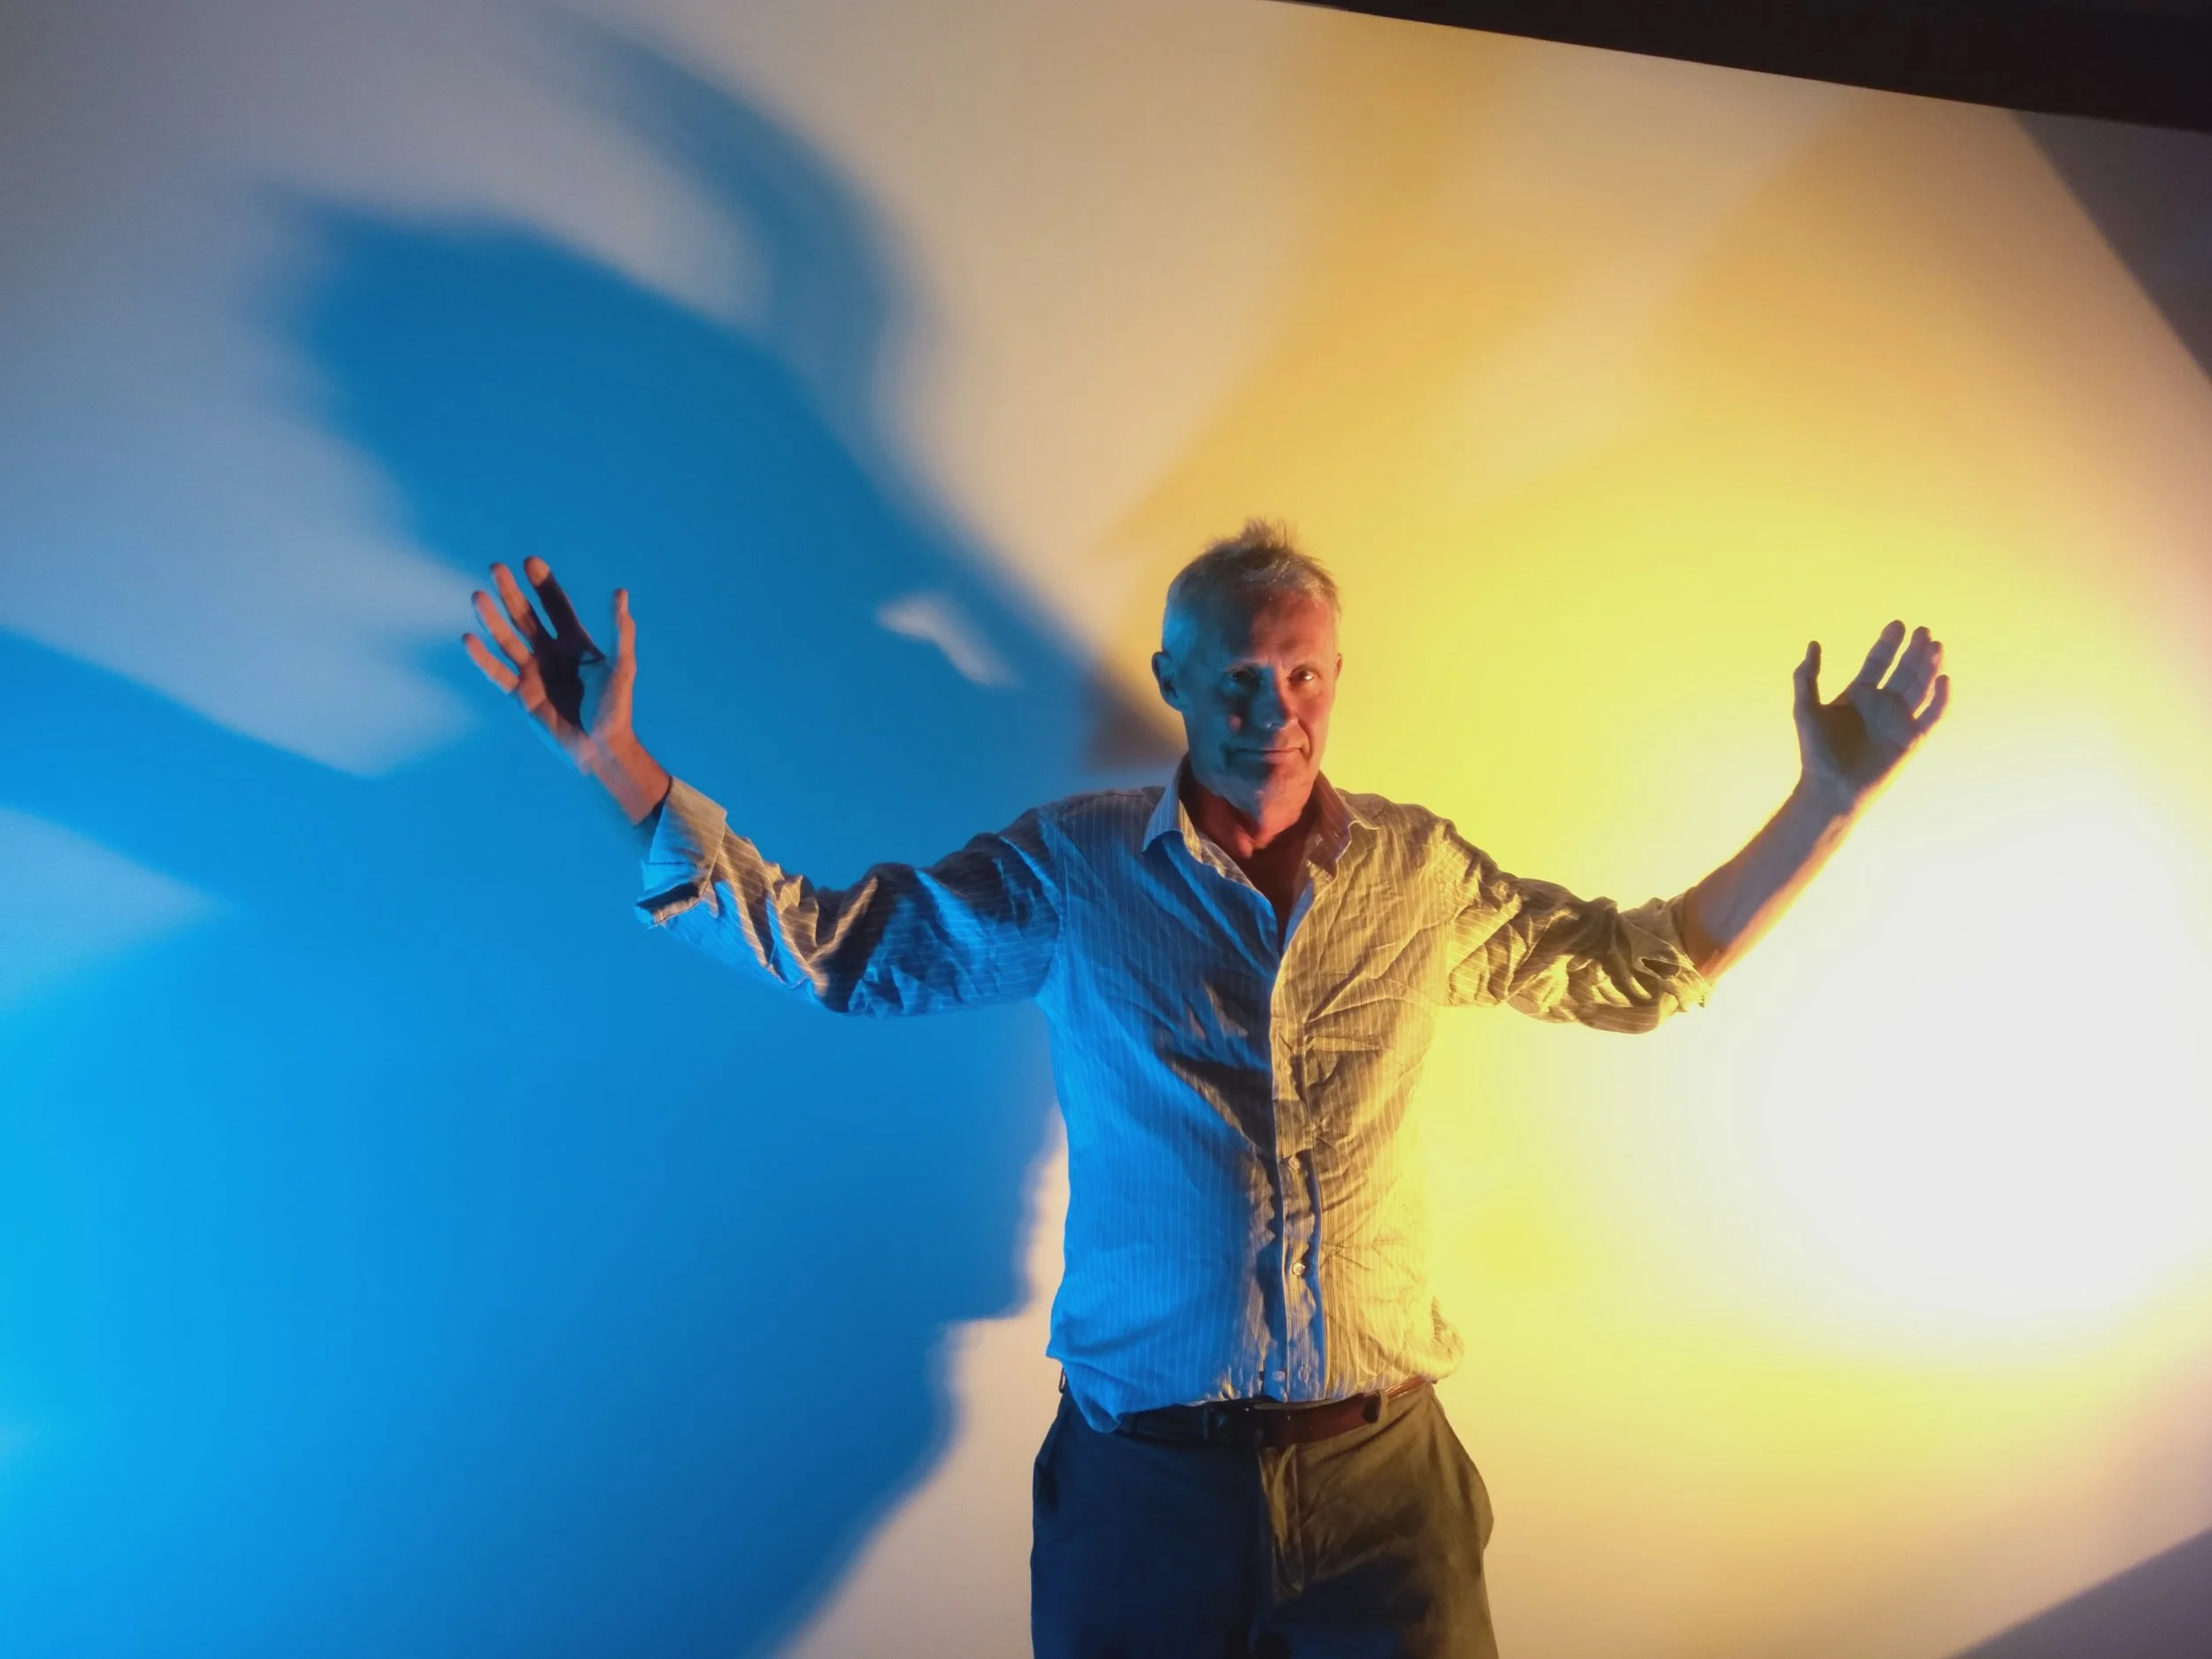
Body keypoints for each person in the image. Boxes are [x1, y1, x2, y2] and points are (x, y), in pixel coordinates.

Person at [462, 520, 1949, 1657]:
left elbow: (1634, 971)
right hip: (1146, 1497)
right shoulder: (1074, 867)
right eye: (1239, 675)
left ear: (1336, 680)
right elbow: (837, 949)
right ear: (1174, 681)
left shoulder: (1418, 875)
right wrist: (622, 763)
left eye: (1304, 674)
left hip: (1385, 1488)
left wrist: (1824, 802)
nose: (1276, 708)